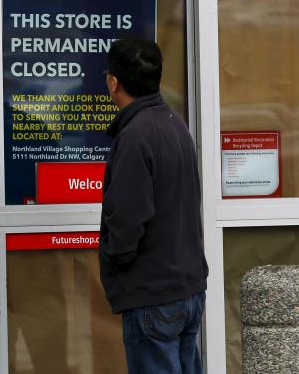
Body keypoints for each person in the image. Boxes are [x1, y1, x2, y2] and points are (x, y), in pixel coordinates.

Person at [100, 36, 208, 374]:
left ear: (113, 82)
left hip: (153, 294)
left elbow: (129, 219)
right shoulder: (175, 125)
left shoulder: (136, 136)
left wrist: (115, 260)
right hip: (185, 288)